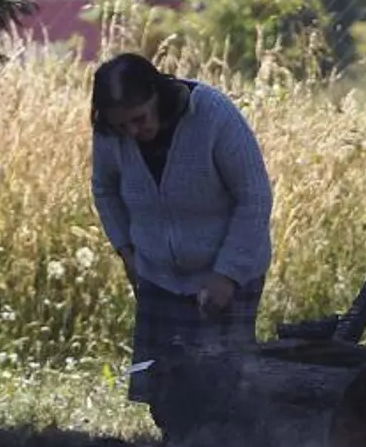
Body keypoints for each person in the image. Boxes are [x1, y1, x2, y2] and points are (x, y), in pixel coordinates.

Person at [89, 53, 273, 428]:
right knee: (167, 393)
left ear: (158, 93)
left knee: (226, 393)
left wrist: (227, 274)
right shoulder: (112, 133)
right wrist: (126, 251)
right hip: (158, 275)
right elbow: (104, 189)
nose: (132, 133)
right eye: (120, 126)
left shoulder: (213, 115)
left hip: (227, 271)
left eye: (139, 119)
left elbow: (254, 196)